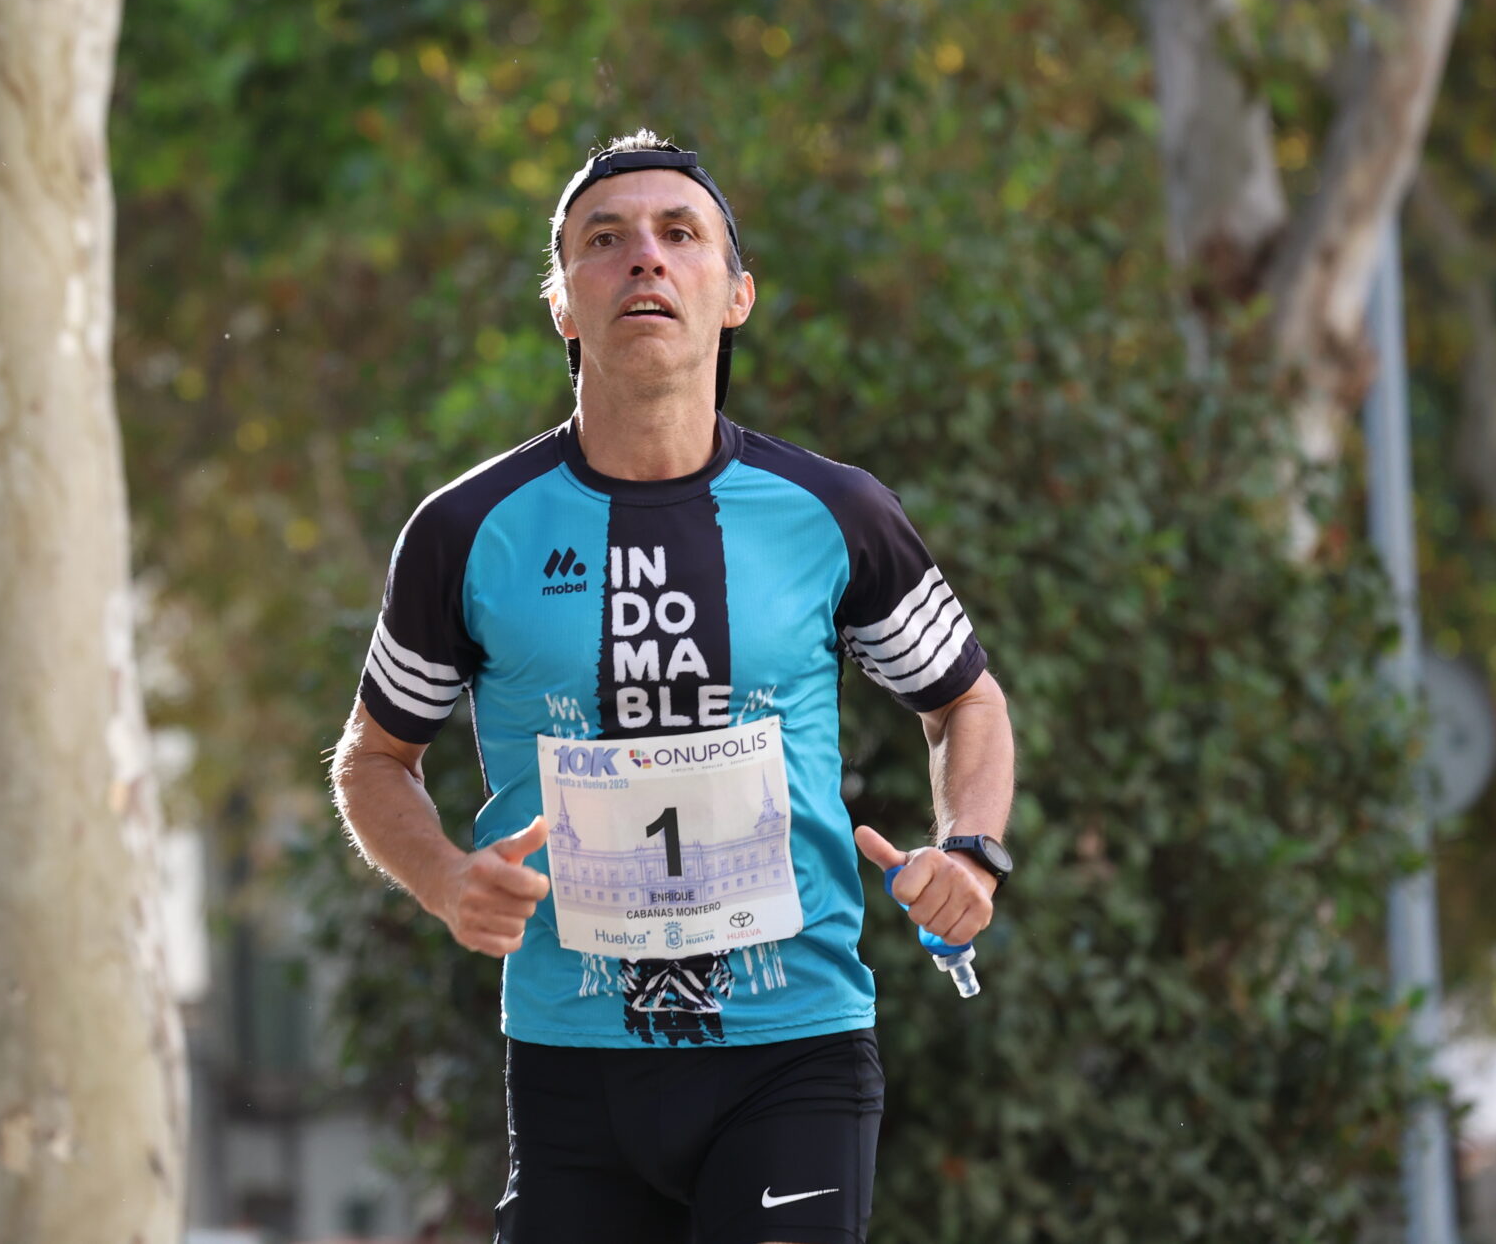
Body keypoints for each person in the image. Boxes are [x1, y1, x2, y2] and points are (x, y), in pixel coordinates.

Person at [330, 131, 1015, 1244]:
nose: (644, 255)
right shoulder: (467, 531)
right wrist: (447, 880)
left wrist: (972, 850)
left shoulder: (835, 513)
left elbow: (964, 701)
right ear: (561, 303)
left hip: (794, 1050)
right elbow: (373, 758)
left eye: (679, 233)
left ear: (736, 294)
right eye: (604, 239)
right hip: (570, 1061)